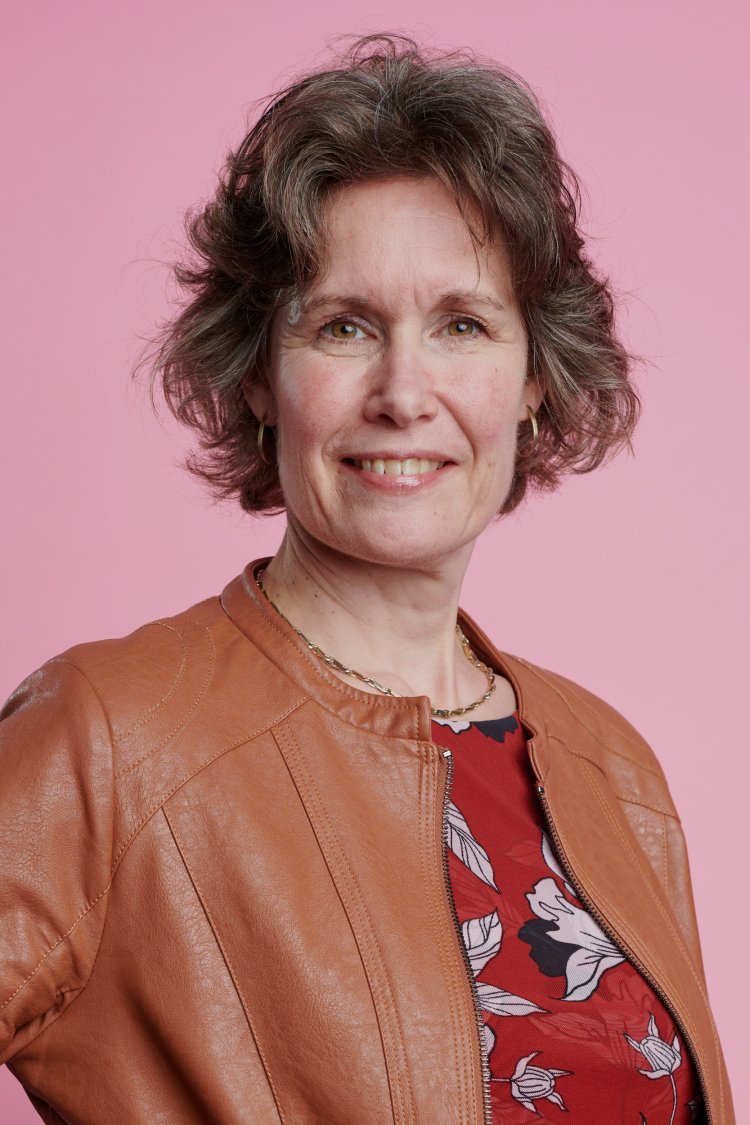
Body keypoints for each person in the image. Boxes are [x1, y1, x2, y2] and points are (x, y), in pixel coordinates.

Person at [0, 34, 732, 1125]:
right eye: (344, 327)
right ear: (260, 374)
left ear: (534, 379)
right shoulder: (111, 738)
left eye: (462, 326)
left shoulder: (612, 769)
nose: (403, 391)